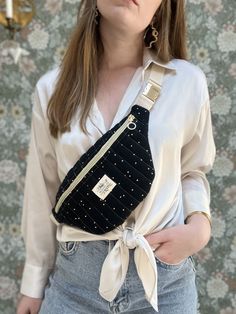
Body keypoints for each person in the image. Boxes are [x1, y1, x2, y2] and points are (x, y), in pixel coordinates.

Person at [17, 0, 216, 313]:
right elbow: (42, 191)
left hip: (163, 283)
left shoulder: (187, 82)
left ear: (162, 7)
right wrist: (33, 285)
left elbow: (192, 171)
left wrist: (200, 228)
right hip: (74, 286)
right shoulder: (52, 89)